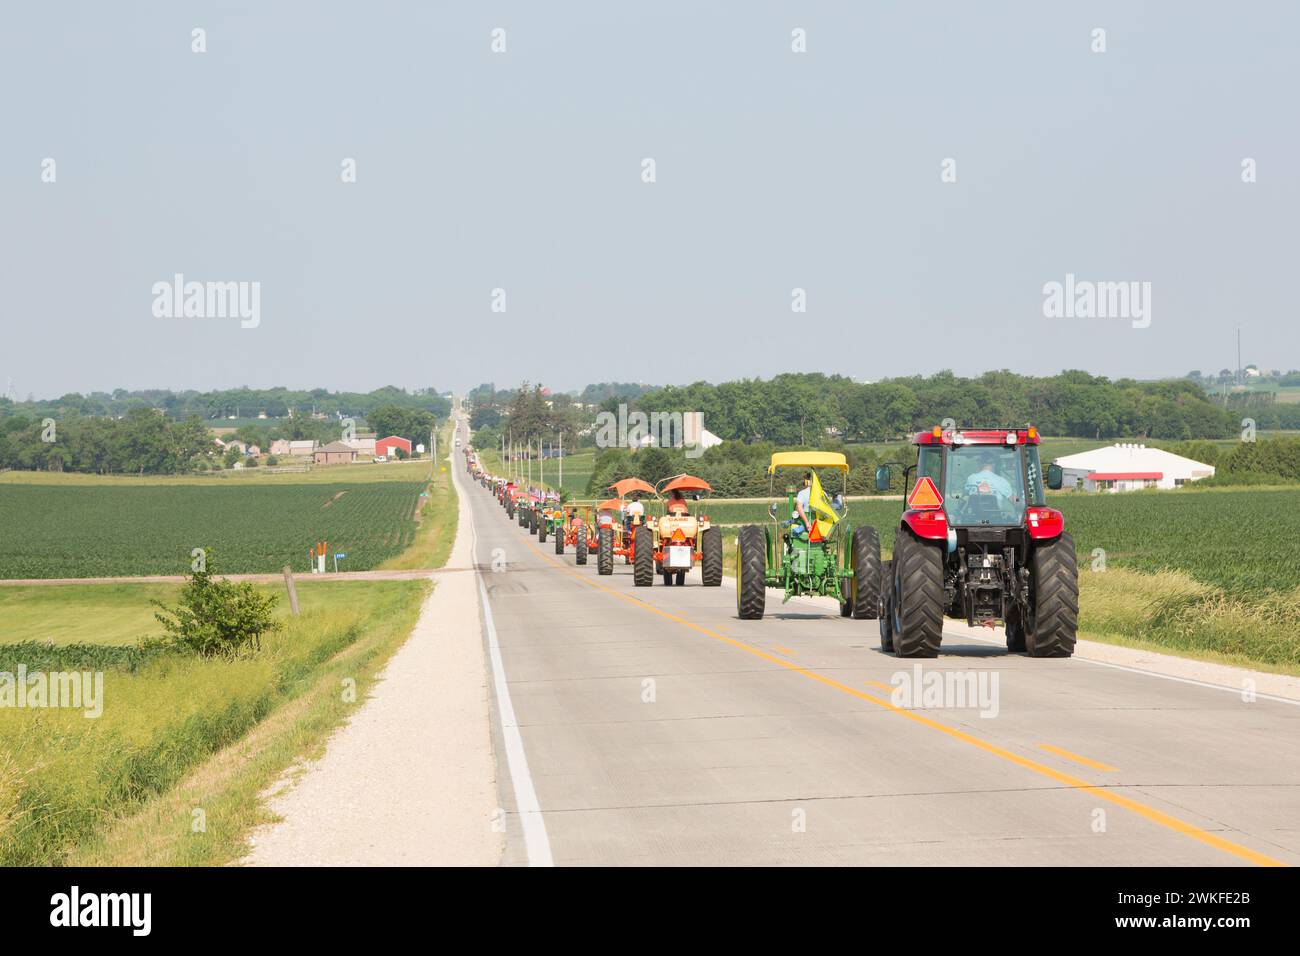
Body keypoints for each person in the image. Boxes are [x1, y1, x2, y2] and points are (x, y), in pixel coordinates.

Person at [793, 471, 814, 536]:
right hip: (818, 525)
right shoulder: (823, 493)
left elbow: (799, 508)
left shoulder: (802, 493)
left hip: (806, 524)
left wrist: (807, 523)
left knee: (793, 530)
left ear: (806, 481)